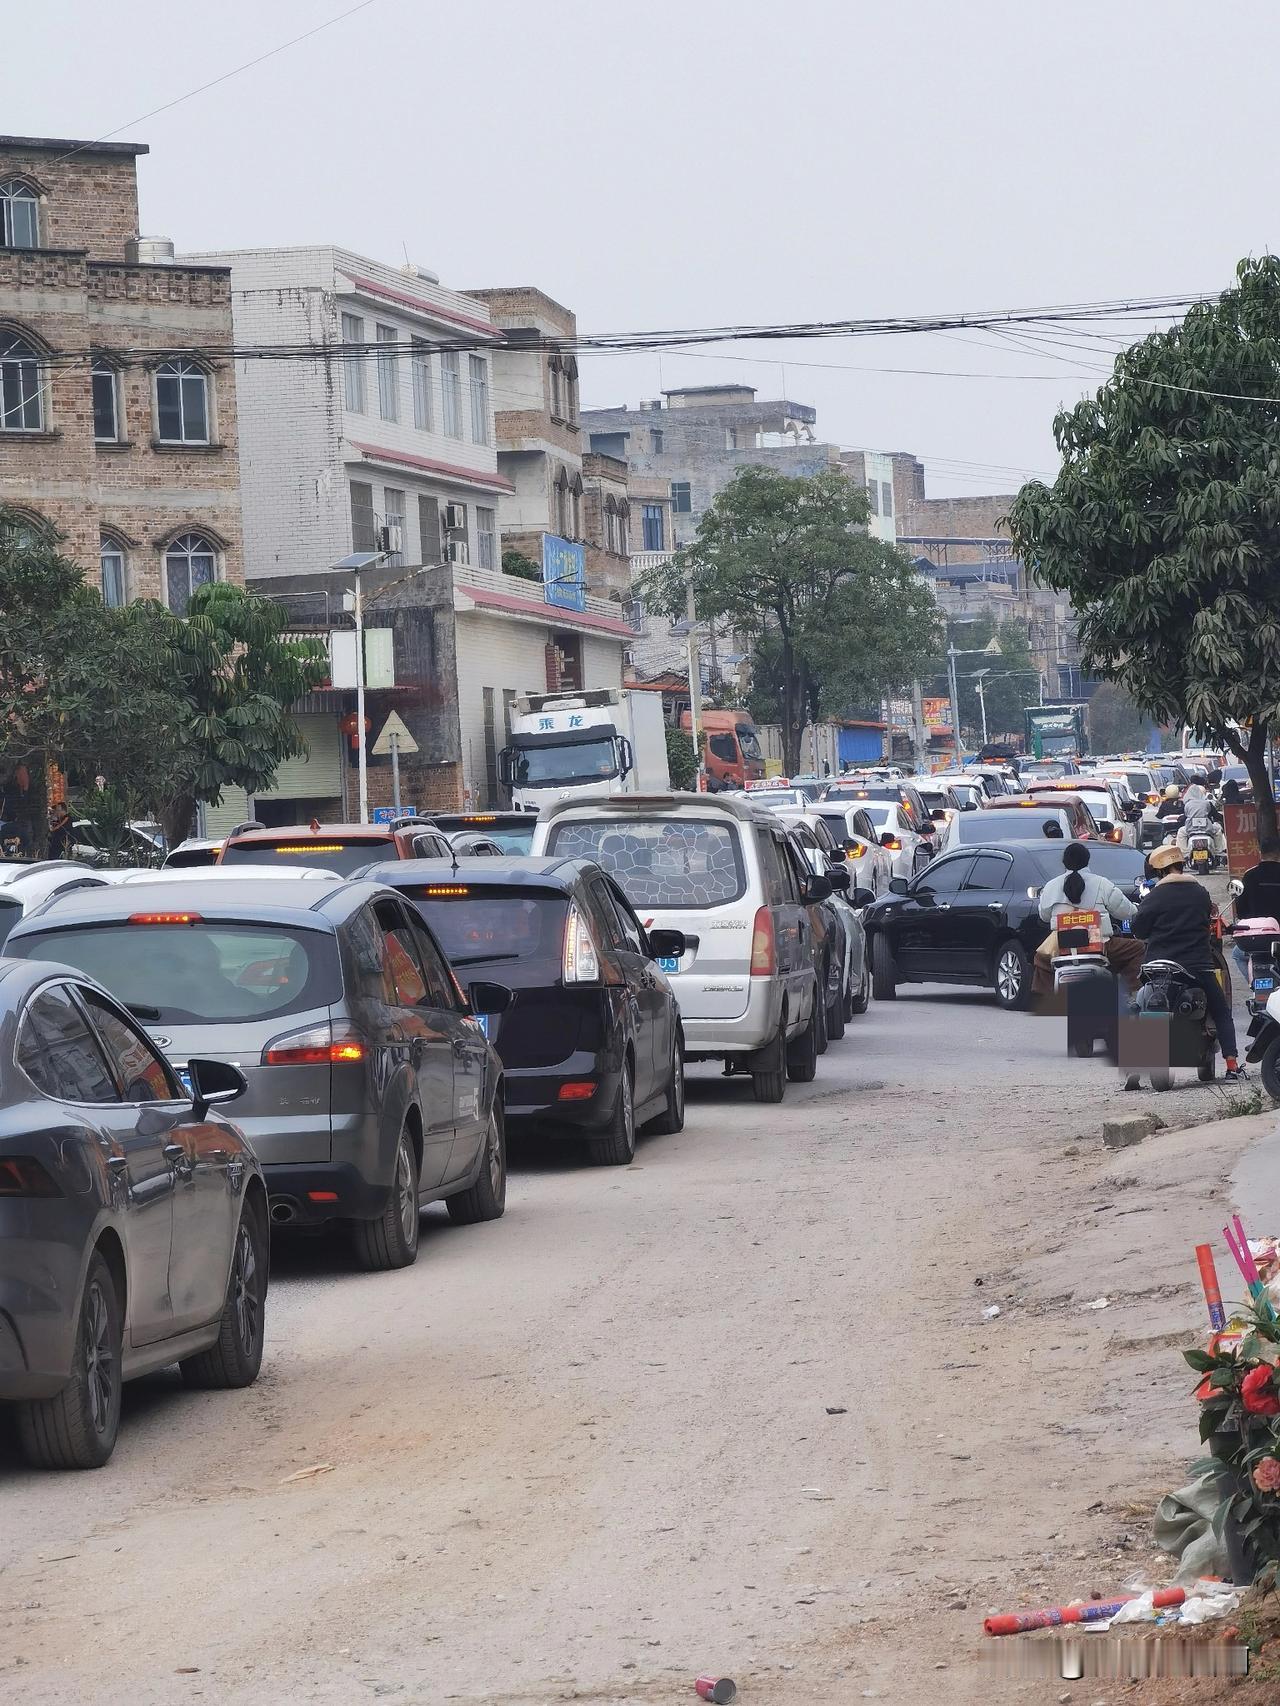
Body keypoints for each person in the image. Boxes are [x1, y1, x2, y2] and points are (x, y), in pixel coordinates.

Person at [1134, 843, 1245, 1079]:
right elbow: (1208, 919)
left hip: (1159, 967)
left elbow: (1139, 929)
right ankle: (1232, 1065)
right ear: (1180, 865)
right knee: (1221, 1010)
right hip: (1198, 966)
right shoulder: (1200, 893)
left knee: (1138, 1002)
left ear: (1160, 871)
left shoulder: (1154, 896)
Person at [1033, 842, 1145, 995]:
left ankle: (1044, 998)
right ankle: (1131, 992)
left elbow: (1044, 916)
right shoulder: (1102, 884)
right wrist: (1135, 907)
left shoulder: (1051, 886)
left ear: (1064, 862)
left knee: (1041, 959)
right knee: (1138, 948)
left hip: (1061, 949)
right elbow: (1126, 912)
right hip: (1101, 948)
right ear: (1087, 860)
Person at [1176, 781, 1227, 862]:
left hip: (1190, 829)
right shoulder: (1207, 803)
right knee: (1218, 829)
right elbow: (1215, 815)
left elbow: (1185, 816)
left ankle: (1184, 853)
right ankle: (1218, 851)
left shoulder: (1187, 805)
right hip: (1207, 829)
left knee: (1181, 832)